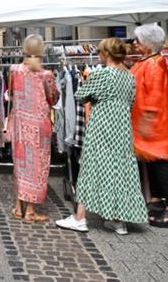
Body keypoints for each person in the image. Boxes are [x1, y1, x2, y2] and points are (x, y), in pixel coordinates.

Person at [55, 38, 148, 235]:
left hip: (102, 126)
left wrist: (92, 91)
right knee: (120, 170)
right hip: (122, 128)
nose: (98, 55)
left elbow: (80, 95)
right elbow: (131, 102)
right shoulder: (129, 76)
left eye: (100, 52)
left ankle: (80, 218)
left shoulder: (102, 74)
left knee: (91, 167)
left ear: (106, 54)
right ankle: (118, 221)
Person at [131, 23, 168, 228]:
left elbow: (154, 96)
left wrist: (147, 121)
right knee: (152, 163)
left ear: (147, 43)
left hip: (155, 124)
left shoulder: (154, 64)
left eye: (138, 40)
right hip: (147, 123)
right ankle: (156, 202)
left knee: (160, 163)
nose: (134, 43)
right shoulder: (147, 61)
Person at [9, 35, 59, 223]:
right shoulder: (46, 75)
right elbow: (53, 98)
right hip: (38, 128)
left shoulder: (14, 70)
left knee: (21, 165)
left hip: (20, 125)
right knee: (37, 166)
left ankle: (18, 207)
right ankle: (30, 211)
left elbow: (11, 93)